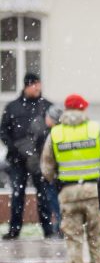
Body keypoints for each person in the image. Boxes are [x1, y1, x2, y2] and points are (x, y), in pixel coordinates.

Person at [41, 94, 100, 263]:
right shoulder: (96, 129)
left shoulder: (56, 133)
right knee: (97, 242)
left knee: (73, 243)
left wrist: (57, 181)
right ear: (83, 109)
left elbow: (47, 167)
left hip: (68, 194)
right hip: (94, 192)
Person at [0, 73, 57, 239]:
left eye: (39, 85)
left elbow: (55, 130)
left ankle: (48, 230)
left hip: (40, 159)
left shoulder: (46, 106)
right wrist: (15, 148)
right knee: (18, 194)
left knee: (43, 195)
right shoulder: (13, 107)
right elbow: (3, 131)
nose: (38, 88)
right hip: (18, 160)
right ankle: (14, 230)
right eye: (35, 85)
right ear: (27, 85)